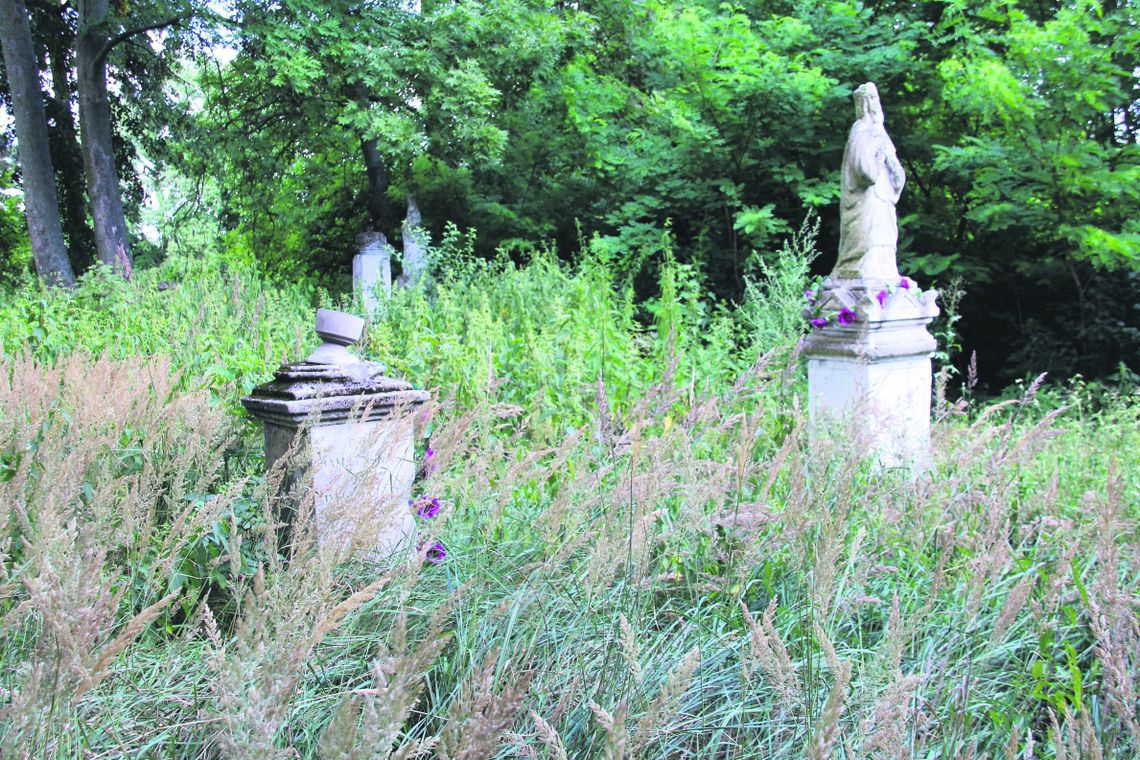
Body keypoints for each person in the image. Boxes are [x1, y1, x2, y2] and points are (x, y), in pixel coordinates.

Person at [834, 83, 906, 281]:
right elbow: (865, 172)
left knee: (885, 235)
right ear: (863, 104)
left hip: (883, 198)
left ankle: (885, 272)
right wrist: (879, 160)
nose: (875, 105)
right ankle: (860, 269)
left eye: (876, 99)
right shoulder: (861, 131)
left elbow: (896, 172)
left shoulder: (881, 132)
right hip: (867, 200)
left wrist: (894, 168)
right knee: (868, 234)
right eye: (871, 99)